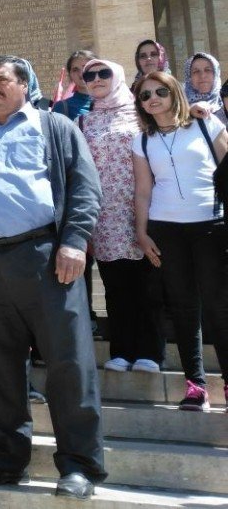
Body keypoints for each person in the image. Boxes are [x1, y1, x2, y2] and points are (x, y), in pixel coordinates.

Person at [0, 55, 104, 499]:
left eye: (2, 80)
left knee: (67, 363)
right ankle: (7, 457)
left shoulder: (53, 126)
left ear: (24, 85)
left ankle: (79, 465)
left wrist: (74, 241)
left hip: (43, 258)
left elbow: (84, 185)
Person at [132, 71, 228, 413]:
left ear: (174, 92)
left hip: (211, 225)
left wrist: (210, 115)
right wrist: (142, 235)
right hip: (166, 229)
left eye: (160, 91)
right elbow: (143, 191)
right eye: (145, 95)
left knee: (219, 307)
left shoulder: (206, 124)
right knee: (184, 308)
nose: (153, 98)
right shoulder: (142, 140)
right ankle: (195, 385)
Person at [79, 59, 163, 374]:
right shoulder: (85, 121)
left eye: (104, 73)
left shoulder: (141, 114)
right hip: (105, 215)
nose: (97, 79)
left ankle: (150, 352)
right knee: (116, 286)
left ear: (118, 77)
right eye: (90, 74)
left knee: (146, 284)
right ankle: (122, 350)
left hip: (144, 209)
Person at [52, 50, 98, 121]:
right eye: (75, 70)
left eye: (85, 67)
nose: (81, 74)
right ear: (70, 75)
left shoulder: (112, 102)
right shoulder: (62, 107)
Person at [183, 52, 225, 126]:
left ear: (216, 74)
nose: (202, 76)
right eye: (196, 72)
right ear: (189, 77)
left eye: (208, 70)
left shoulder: (225, 101)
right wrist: (188, 110)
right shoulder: (180, 106)